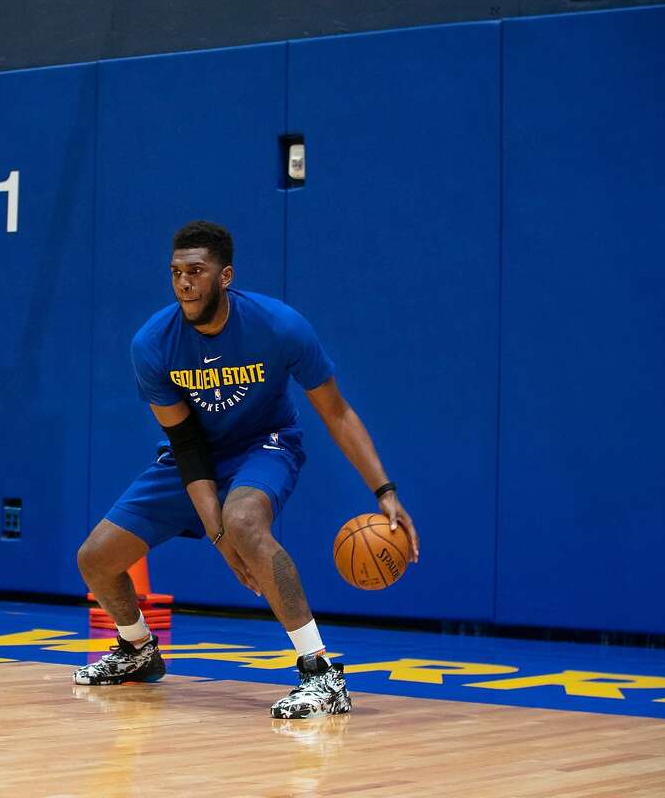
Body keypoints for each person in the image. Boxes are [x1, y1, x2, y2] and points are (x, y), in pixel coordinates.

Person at [74, 220, 419, 718]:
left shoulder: (279, 327)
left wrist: (384, 491)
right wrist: (216, 537)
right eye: (175, 273)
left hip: (265, 444)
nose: (184, 283)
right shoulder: (152, 344)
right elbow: (187, 443)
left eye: (196, 271)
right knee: (95, 559)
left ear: (225, 276)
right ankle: (137, 650)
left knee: (244, 520)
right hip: (194, 458)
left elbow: (337, 412)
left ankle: (321, 674)